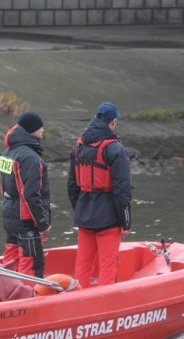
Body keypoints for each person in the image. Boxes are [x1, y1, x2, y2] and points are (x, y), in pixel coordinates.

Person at [67, 102, 132, 287]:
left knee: (83, 265)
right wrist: (126, 222)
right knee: (108, 266)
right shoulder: (115, 149)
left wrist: (79, 210)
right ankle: (106, 307)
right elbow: (122, 190)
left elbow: (72, 186)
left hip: (84, 215)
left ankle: (77, 302)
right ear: (112, 122)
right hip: (108, 219)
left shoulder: (78, 147)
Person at [0, 111, 51, 278]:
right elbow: (31, 194)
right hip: (26, 219)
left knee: (10, 262)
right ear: (31, 130)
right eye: (39, 126)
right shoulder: (30, 157)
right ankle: (29, 300)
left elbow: (3, 186)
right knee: (30, 266)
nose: (42, 129)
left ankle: (5, 297)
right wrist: (43, 223)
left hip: (9, 215)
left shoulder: (7, 153)